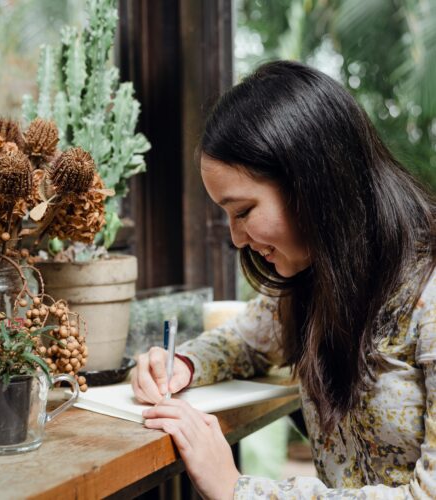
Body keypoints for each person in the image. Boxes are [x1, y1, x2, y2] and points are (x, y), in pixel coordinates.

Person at [130, 60, 436, 499]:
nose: (237, 238)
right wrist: (182, 364)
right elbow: (247, 340)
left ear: (312, 183)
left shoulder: (428, 291)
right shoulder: (320, 275)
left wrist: (239, 489)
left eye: (244, 211)